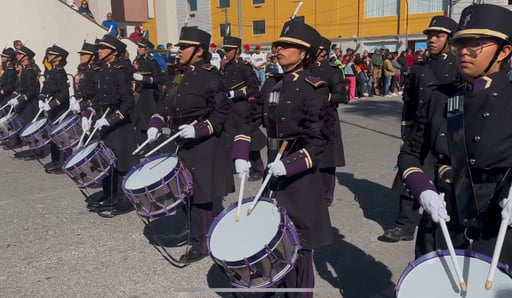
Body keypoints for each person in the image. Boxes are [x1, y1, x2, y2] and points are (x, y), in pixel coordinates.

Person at [399, 3, 512, 266]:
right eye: (461, 44)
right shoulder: (442, 96)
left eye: (476, 45)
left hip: (499, 224)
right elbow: (410, 154)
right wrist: (423, 190)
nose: (464, 52)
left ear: (504, 51)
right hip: (443, 216)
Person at [232, 20, 333, 294]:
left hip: (299, 180)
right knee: (273, 241)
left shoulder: (315, 88)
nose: (279, 50)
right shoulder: (272, 85)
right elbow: (249, 120)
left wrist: (288, 165)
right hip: (273, 175)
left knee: (299, 249)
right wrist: (241, 153)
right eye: (279, 45)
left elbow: (318, 141)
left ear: (305, 54)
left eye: (288, 46)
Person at [146, 27, 234, 262]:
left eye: (184, 47)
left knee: (201, 195)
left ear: (199, 51)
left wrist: (199, 129)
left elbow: (221, 111)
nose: (180, 50)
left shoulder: (211, 76)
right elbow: (166, 104)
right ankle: (194, 231)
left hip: (204, 144)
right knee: (184, 191)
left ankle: (201, 244)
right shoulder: (180, 74)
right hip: (181, 140)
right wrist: (156, 122)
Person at [383, 15, 460, 243]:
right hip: (419, 130)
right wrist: (406, 128)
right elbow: (409, 99)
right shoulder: (419, 68)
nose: (431, 39)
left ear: (450, 39)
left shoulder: (458, 67)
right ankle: (405, 225)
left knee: (443, 180)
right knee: (409, 177)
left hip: (444, 130)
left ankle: (443, 228)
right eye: (429, 35)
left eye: (438, 35)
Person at [82, 34, 138, 216]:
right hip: (105, 125)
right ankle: (110, 194)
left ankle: (125, 200)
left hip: (120, 127)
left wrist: (111, 119)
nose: (98, 51)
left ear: (113, 52)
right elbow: (97, 100)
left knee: (122, 163)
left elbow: (128, 102)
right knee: (106, 162)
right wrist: (89, 114)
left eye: (102, 48)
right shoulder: (102, 71)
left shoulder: (120, 71)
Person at [220, 35, 266, 182]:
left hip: (242, 108)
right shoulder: (225, 66)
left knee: (249, 140)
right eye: (225, 49)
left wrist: (237, 93)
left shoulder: (244, 67)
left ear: (237, 50)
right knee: (230, 137)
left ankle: (258, 167)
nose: (226, 52)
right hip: (229, 108)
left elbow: (254, 88)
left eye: (229, 50)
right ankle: (237, 162)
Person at [311, 37, 347, 207]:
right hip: (309, 120)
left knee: (327, 160)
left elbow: (342, 96)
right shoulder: (306, 69)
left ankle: (326, 196)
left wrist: (326, 96)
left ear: (324, 52)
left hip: (327, 119)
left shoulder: (332, 71)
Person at [38, 45, 70, 174]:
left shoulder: (60, 72)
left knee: (61, 137)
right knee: (53, 135)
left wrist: (52, 105)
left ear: (59, 57)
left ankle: (63, 163)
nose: (49, 57)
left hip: (60, 109)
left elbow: (64, 93)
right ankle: (55, 160)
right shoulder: (52, 71)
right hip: (53, 109)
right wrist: (41, 97)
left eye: (51, 55)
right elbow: (46, 87)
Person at [132, 38, 164, 147]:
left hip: (150, 93)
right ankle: (142, 143)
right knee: (139, 119)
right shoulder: (138, 60)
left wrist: (145, 79)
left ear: (146, 49)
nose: (138, 49)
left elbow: (159, 78)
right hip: (141, 93)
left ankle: (153, 143)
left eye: (140, 47)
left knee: (149, 119)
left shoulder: (152, 62)